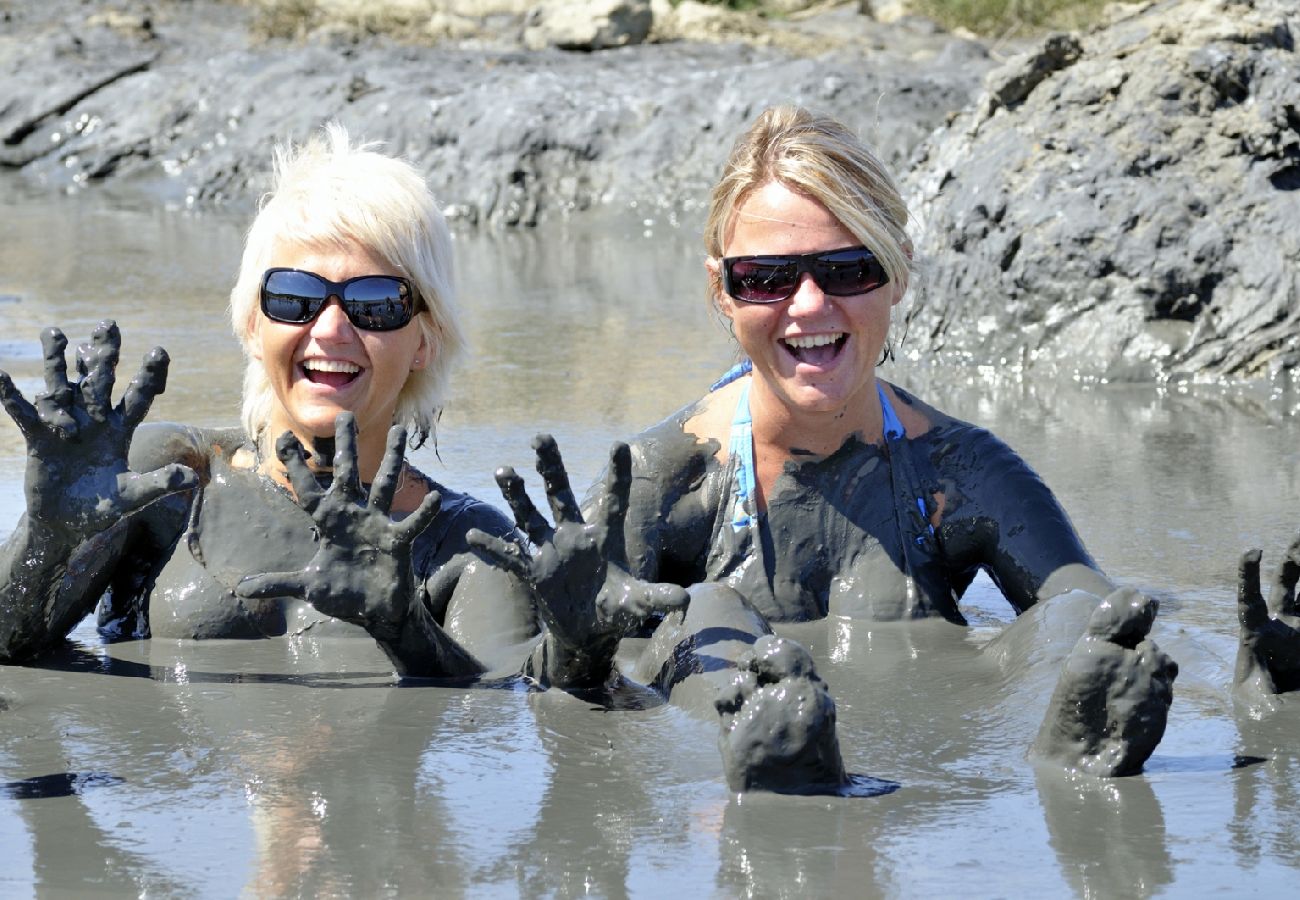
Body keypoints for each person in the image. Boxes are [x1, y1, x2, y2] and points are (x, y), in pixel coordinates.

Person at [469, 105, 1181, 791]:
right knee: (711, 609)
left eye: (847, 269)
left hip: (923, 762)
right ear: (722, 291)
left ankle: (1072, 749)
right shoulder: (664, 479)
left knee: (1071, 618)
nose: (809, 306)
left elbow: (1095, 608)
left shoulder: (960, 471)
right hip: (726, 735)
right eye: (768, 279)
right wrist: (577, 648)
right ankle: (775, 758)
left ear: (898, 269)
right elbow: (539, 682)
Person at [0, 124, 568, 677]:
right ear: (252, 323)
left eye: (374, 302)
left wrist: (405, 628)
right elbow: (11, 647)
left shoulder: (472, 545)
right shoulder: (168, 478)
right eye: (295, 297)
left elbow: (504, 708)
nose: (330, 330)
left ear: (425, 340)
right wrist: (49, 540)